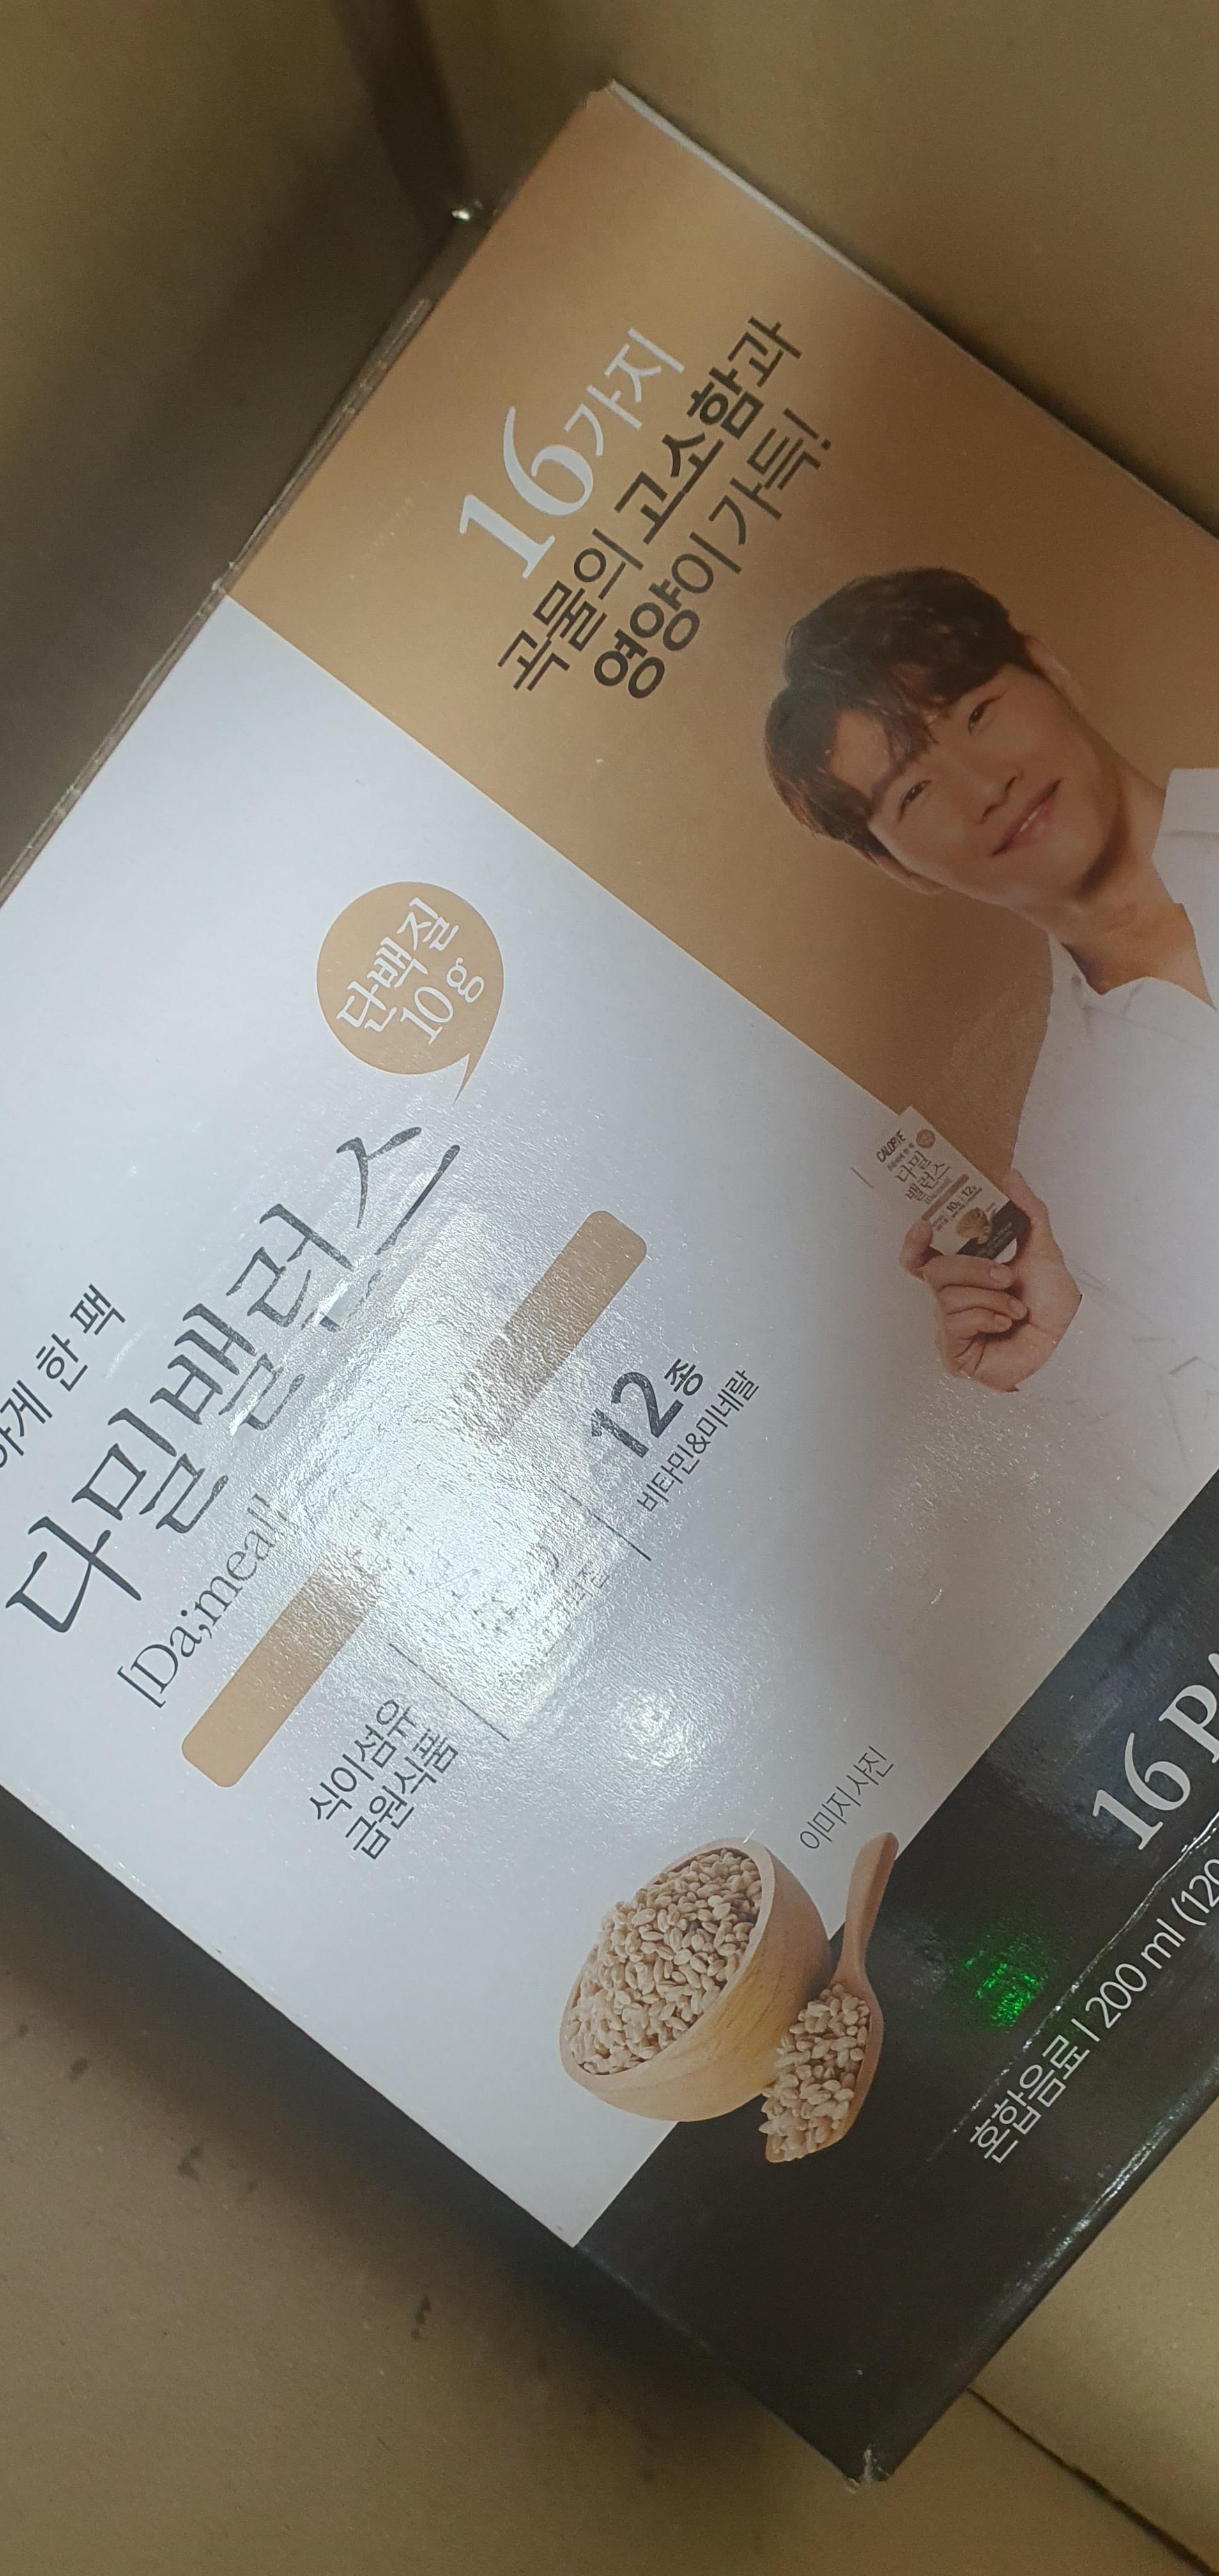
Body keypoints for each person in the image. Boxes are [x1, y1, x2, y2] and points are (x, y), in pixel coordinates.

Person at [764, 565, 1219, 1519]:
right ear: (898, 868)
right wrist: (1071, 1355)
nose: (985, 787)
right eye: (914, 791)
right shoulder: (1062, 1170)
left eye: (976, 713)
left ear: (1050, 670)